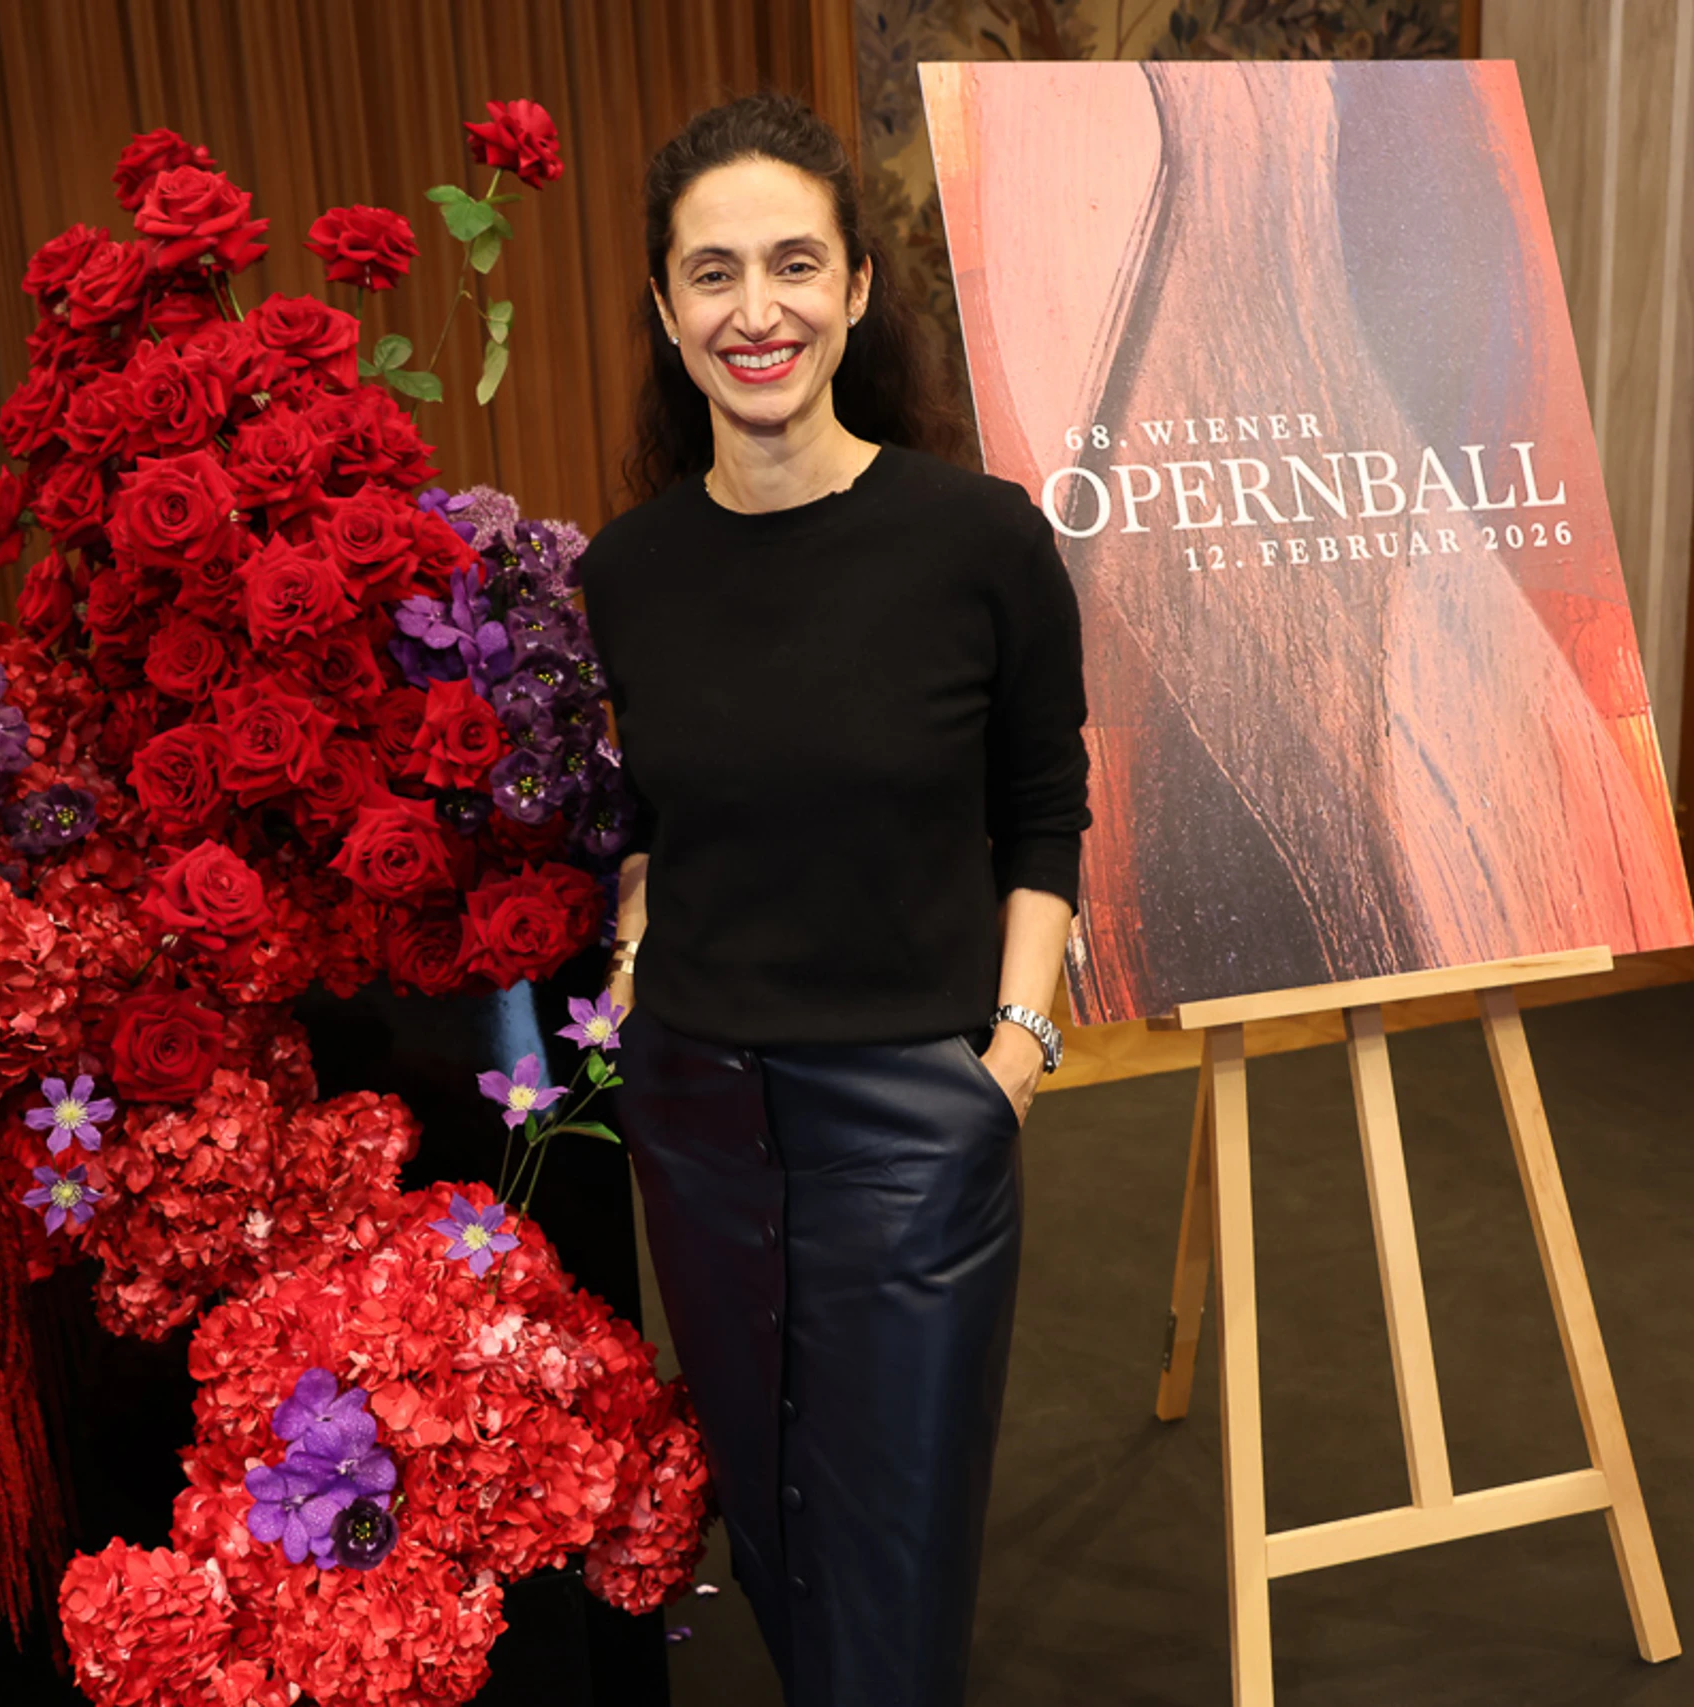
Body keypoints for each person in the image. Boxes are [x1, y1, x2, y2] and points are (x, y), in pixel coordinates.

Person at [583, 92, 1090, 1707]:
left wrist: (1012, 1054)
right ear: (667, 308)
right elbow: (646, 824)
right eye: (714, 272)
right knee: (779, 1532)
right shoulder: (626, 574)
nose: (759, 310)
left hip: (914, 1120)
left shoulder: (978, 542)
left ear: (859, 288)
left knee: (895, 1547)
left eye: (794, 263)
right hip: (700, 1118)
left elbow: (1045, 813)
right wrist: (636, 973)